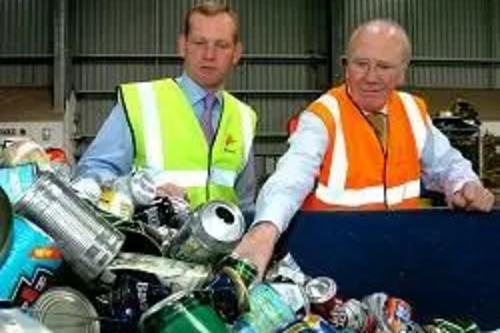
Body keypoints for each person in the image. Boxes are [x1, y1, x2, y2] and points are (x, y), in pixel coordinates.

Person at [234, 19, 495, 276]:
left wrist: (465, 185)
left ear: (403, 71)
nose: (371, 77)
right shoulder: (323, 116)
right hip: (334, 267)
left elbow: (447, 164)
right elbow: (290, 177)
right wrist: (264, 230)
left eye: (384, 66)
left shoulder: (413, 111)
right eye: (361, 64)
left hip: (402, 263)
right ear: (346, 66)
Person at [75, 2, 257, 212]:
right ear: (182, 45)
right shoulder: (141, 102)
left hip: (222, 244)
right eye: (199, 42)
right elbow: (89, 176)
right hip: (150, 242)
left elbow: (244, 206)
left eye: (222, 45)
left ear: (236, 53)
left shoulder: (243, 118)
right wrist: (140, 193)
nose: (209, 55)